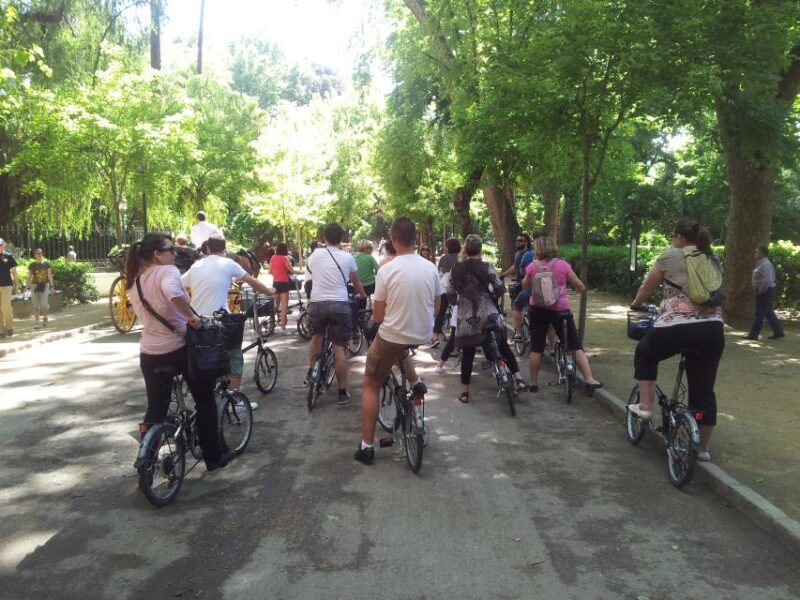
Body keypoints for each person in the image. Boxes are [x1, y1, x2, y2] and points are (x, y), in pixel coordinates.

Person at [126, 233, 232, 472]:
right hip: (179, 349)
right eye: (170, 249)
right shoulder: (167, 271)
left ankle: (147, 460)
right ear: (157, 254)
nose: (174, 253)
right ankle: (212, 457)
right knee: (205, 401)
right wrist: (191, 317)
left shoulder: (136, 279)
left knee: (156, 407)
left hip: (149, 353)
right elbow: (173, 293)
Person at [629, 218, 724, 462]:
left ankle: (647, 407)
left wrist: (636, 304)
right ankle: (702, 449)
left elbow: (646, 288)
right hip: (712, 329)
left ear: (680, 238)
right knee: (704, 391)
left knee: (645, 353)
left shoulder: (670, 256)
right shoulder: (712, 259)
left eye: (673, 236)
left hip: (675, 326)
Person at [355, 217, 442, 465]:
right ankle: (415, 383)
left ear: (393, 240)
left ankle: (367, 446)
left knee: (371, 383)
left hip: (393, 335)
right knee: (399, 348)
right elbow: (437, 305)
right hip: (423, 332)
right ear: (416, 239)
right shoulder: (430, 267)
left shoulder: (387, 270)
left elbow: (379, 316)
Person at [181, 236, 275, 407]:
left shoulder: (196, 265)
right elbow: (251, 280)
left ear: (207, 249)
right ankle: (236, 401)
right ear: (224, 249)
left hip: (196, 319)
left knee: (207, 354)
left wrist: (188, 300)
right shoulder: (228, 264)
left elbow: (180, 284)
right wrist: (268, 291)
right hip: (217, 320)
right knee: (235, 356)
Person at [449, 234, 528, 403]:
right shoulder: (487, 267)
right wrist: (492, 295)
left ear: (466, 250)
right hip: (488, 312)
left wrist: (456, 301)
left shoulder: (456, 269)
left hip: (465, 316)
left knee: (468, 353)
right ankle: (519, 379)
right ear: (481, 249)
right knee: (503, 346)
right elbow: (500, 287)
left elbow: (450, 290)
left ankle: (464, 392)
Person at [522, 235, 603, 394]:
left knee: (536, 347)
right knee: (575, 345)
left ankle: (533, 382)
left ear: (537, 249)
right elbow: (579, 284)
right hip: (560, 310)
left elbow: (525, 285)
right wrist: (579, 289)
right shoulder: (562, 265)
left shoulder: (533, 266)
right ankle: (589, 379)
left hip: (537, 310)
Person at [306, 223, 367, 406]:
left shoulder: (314, 255)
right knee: (339, 347)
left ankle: (312, 371)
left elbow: (310, 279)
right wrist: (362, 295)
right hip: (340, 304)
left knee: (317, 336)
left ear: (324, 237)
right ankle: (342, 392)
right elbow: (356, 282)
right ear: (342, 239)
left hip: (317, 304)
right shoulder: (348, 257)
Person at [744, 245, 784, 341]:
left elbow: (767, 280)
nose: (755, 254)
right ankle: (778, 332)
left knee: (759, 313)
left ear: (761, 253)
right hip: (766, 291)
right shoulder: (761, 263)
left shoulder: (765, 265)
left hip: (765, 291)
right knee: (769, 313)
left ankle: (753, 334)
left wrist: (761, 290)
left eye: (756, 252)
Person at [502, 233, 534, 341]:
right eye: (517, 240)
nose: (518, 242)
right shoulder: (517, 254)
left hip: (524, 283)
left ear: (527, 243)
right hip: (520, 282)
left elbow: (521, 270)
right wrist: (503, 275)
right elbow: (514, 267)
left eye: (521, 240)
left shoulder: (529, 254)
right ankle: (520, 330)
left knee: (516, 305)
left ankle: (519, 334)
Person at [432, 238, 461, 346]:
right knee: (458, 312)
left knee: (441, 312)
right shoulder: (461, 258)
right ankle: (458, 336)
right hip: (457, 288)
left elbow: (439, 273)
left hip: (444, 288)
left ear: (448, 247)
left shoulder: (444, 258)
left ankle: (434, 336)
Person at [269, 242, 302, 335]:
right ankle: (282, 329)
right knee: (284, 307)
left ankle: (270, 324)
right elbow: (292, 271)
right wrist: (302, 273)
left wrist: (276, 275)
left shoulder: (273, 258)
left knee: (275, 305)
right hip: (284, 283)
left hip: (275, 283)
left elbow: (269, 271)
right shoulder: (284, 258)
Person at [26, 249, 55, 329]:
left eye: (41, 253)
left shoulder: (47, 264)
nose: (39, 254)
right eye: (37, 253)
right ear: (34, 255)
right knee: (35, 305)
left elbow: (49, 276)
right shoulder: (32, 265)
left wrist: (52, 287)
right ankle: (37, 322)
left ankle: (45, 317)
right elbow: (29, 276)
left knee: (44, 305)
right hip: (34, 286)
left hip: (44, 285)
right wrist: (27, 287)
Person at [0, 238, 19, 338]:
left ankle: (9, 327)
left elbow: (14, 272)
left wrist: (17, 285)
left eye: (0, 245)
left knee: (5, 306)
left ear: (4, 245)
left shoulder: (8, 256)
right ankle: (1, 330)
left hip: (7, 285)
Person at [354, 240, 379, 308]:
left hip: (358, 287)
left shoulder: (354, 257)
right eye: (371, 248)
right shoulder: (370, 257)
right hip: (370, 286)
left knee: (361, 299)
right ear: (366, 248)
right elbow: (378, 269)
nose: (372, 250)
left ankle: (362, 312)